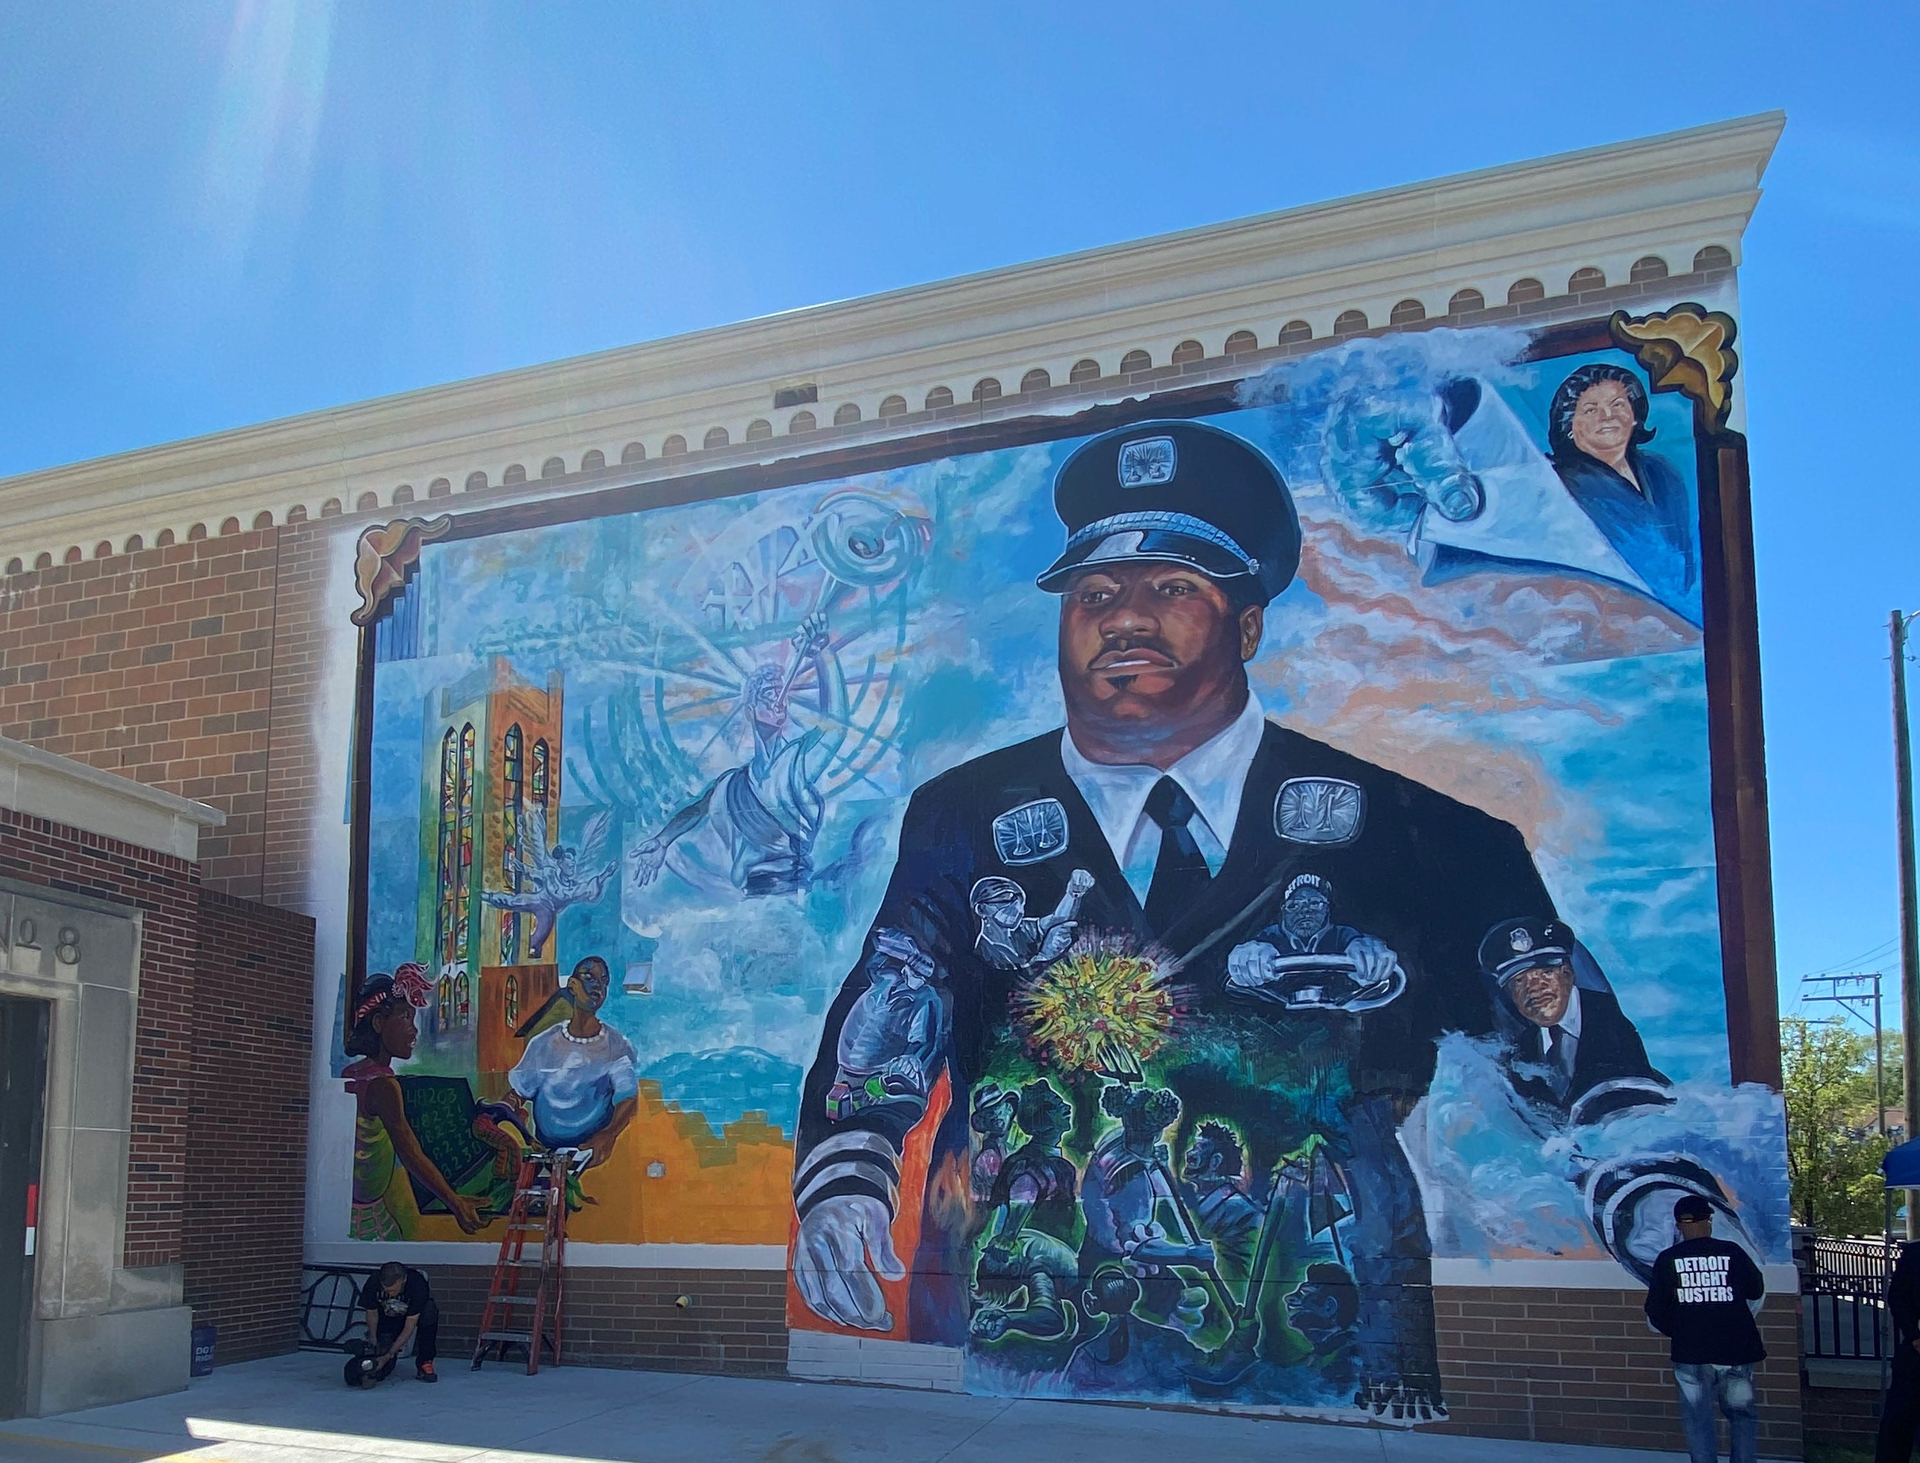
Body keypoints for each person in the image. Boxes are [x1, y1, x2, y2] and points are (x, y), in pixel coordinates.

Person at [789, 417, 1582, 1415]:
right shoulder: (963, 814)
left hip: (1313, 1340)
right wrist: (847, 1171)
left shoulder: (1421, 833)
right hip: (1010, 1326)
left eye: (1172, 589)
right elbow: (899, 990)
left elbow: (1566, 1051)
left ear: (1248, 624)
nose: (1125, 617)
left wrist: (1649, 1184)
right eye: (1095, 593)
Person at [1546, 362, 1699, 625]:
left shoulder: (1663, 472)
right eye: (1590, 410)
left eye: (1617, 405)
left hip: (1680, 613)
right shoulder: (1560, 484)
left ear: (1635, 414)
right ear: (1569, 425)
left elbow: (1684, 551)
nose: (1607, 416)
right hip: (1612, 620)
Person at [1477, 916, 1669, 1124]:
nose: (1534, 988)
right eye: (1519, 981)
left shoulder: (1611, 1026)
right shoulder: (1522, 1051)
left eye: (1546, 972)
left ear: (1567, 975)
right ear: (1510, 995)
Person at [342, 966, 485, 1237]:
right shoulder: (383, 1086)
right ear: (378, 1024)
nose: (414, 1030)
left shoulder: (354, 1074)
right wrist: (455, 1203)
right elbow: (411, 1153)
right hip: (368, 1220)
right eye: (406, 1018)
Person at [1644, 1194, 1766, 1463]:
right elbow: (1756, 1288)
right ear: (1709, 1222)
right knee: (1742, 1416)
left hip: (1691, 1352)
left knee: (1698, 1421)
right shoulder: (1732, 1252)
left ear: (1679, 1226)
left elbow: (1654, 1310)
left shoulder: (1667, 1259)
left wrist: (1681, 1329)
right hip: (1736, 1349)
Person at [507, 955, 639, 1165]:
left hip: (591, 1155)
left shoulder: (616, 1044)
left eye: (604, 980)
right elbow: (519, 1092)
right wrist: (505, 1110)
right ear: (572, 985)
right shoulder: (544, 1043)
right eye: (589, 977)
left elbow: (628, 1098)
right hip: (544, 1151)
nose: (598, 985)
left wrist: (609, 1134)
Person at [350, 1261, 440, 1385]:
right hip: (386, 1318)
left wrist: (390, 1354)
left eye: (393, 1290)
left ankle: (425, 1362)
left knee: (429, 1311)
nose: (390, 1294)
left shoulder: (417, 1283)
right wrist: (373, 1340)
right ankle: (373, 1366)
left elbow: (410, 1325)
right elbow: (371, 1313)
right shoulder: (373, 1281)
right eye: (386, 1290)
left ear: (403, 1280)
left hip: (409, 1317)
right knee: (380, 1364)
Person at [1876, 1241, 1920, 1463]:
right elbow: (1898, 1297)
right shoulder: (1914, 1253)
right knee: (1896, 1424)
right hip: (1915, 1358)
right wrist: (1914, 1335)